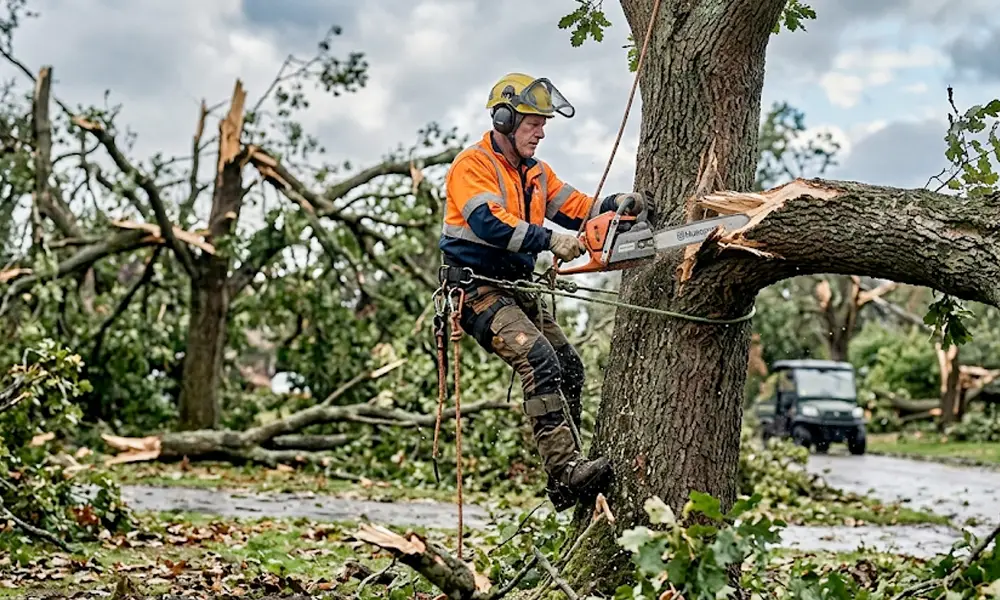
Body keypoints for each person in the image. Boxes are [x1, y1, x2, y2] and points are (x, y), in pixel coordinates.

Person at [437, 72, 645, 511]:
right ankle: (564, 468)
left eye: (543, 123)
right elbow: (487, 222)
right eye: (533, 122)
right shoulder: (472, 165)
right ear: (505, 118)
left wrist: (617, 207)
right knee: (539, 359)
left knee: (568, 365)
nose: (541, 131)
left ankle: (564, 479)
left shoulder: (537, 174)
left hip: (516, 288)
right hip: (477, 291)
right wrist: (550, 241)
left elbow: (579, 209)